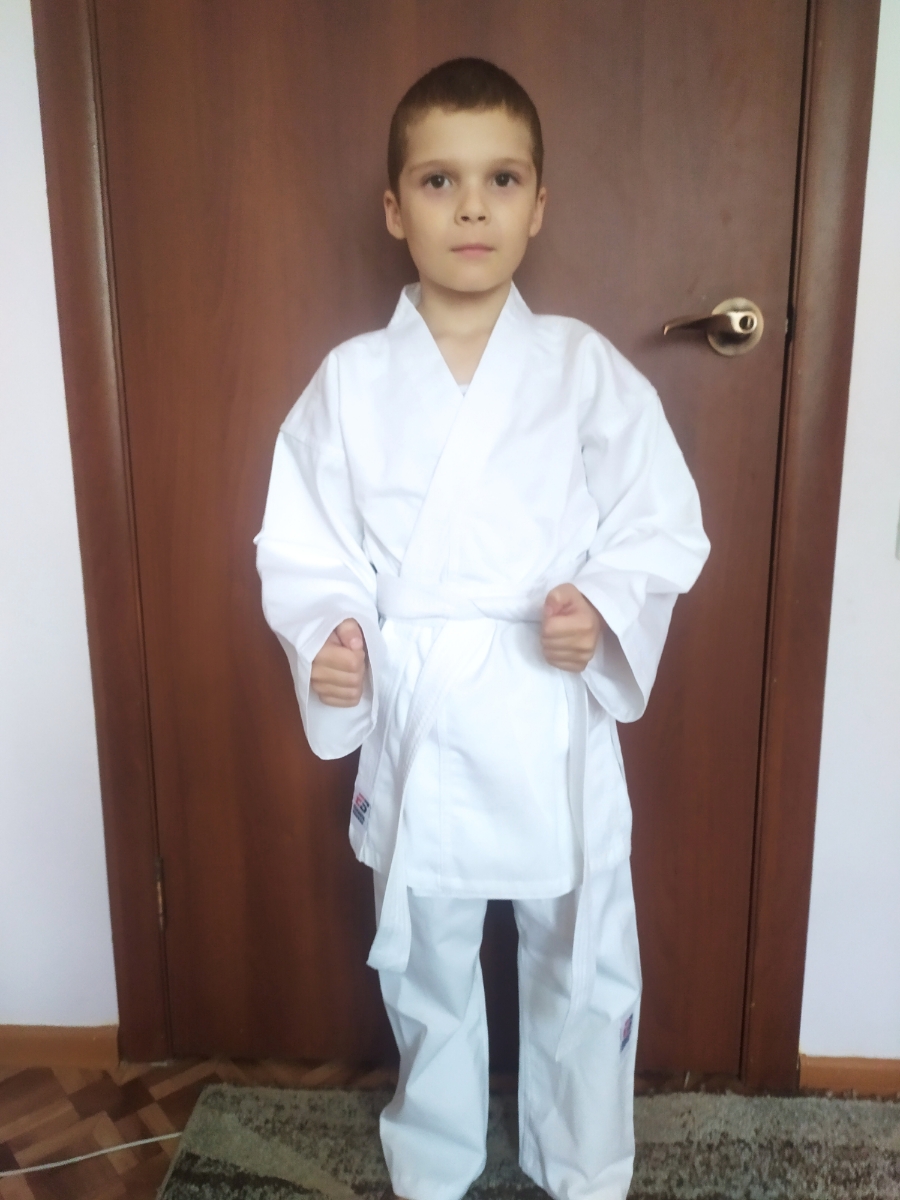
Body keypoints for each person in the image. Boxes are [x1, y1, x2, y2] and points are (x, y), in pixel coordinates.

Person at [256, 57, 709, 1200]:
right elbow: (304, 542)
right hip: (425, 710)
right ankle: (435, 1158)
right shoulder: (351, 383)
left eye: (500, 179)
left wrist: (601, 610)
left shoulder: (584, 371)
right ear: (393, 208)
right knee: (427, 960)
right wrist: (334, 634)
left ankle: (583, 1162)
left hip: (549, 704)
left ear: (538, 205)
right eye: (439, 180)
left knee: (582, 951)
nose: (471, 207)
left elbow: (661, 522)